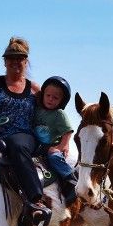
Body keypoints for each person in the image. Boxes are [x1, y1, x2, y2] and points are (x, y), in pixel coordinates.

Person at [0, 37, 50, 226]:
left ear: (26, 61)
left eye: (20, 58)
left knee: (17, 146)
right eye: (11, 58)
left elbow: (51, 114)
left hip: (23, 135)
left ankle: (36, 199)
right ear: (4, 61)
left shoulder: (34, 89)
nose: (15, 62)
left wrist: (61, 140)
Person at [33, 75, 77, 204]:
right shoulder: (38, 110)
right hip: (39, 146)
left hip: (53, 145)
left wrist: (62, 146)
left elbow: (68, 131)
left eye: (55, 98)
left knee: (54, 157)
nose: (50, 99)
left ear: (62, 101)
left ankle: (71, 178)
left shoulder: (59, 114)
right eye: (48, 95)